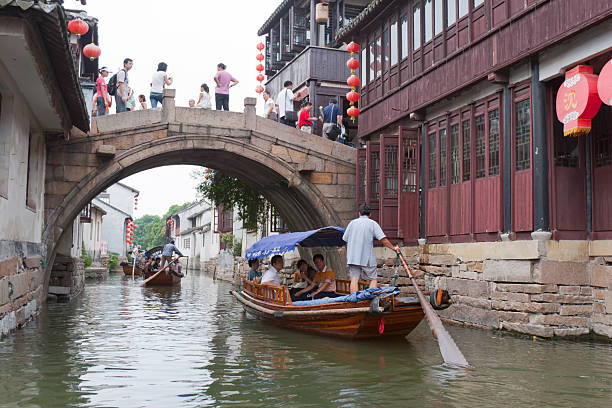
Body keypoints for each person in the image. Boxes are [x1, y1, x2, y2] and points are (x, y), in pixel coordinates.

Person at [343, 204, 401, 293]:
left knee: (354, 279)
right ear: (370, 214)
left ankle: (354, 303)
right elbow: (383, 239)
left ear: (359, 213)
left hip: (353, 257)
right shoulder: (372, 223)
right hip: (366, 257)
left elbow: (345, 239)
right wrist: (394, 248)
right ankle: (369, 300)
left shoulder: (352, 223)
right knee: (373, 278)